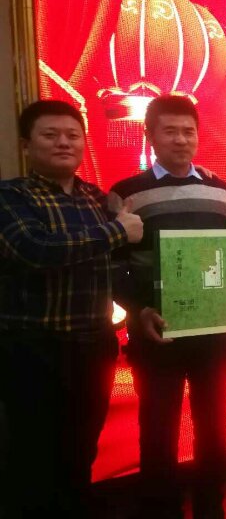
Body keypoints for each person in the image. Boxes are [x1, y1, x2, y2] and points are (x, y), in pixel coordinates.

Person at [0, 100, 143, 517]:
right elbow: (34, 249)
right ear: (27, 144)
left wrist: (140, 308)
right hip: (32, 349)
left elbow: (117, 266)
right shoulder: (11, 196)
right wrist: (116, 231)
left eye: (72, 135)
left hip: (93, 346)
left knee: (81, 450)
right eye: (50, 135)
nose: (63, 142)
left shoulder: (96, 198)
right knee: (32, 455)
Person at [109, 95, 226, 519]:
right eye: (170, 131)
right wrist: (137, 311)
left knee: (215, 425)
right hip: (158, 330)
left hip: (213, 330)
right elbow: (113, 265)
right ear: (150, 135)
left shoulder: (219, 189)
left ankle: (211, 506)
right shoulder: (126, 192)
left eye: (188, 131)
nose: (181, 139)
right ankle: (160, 508)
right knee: (158, 427)